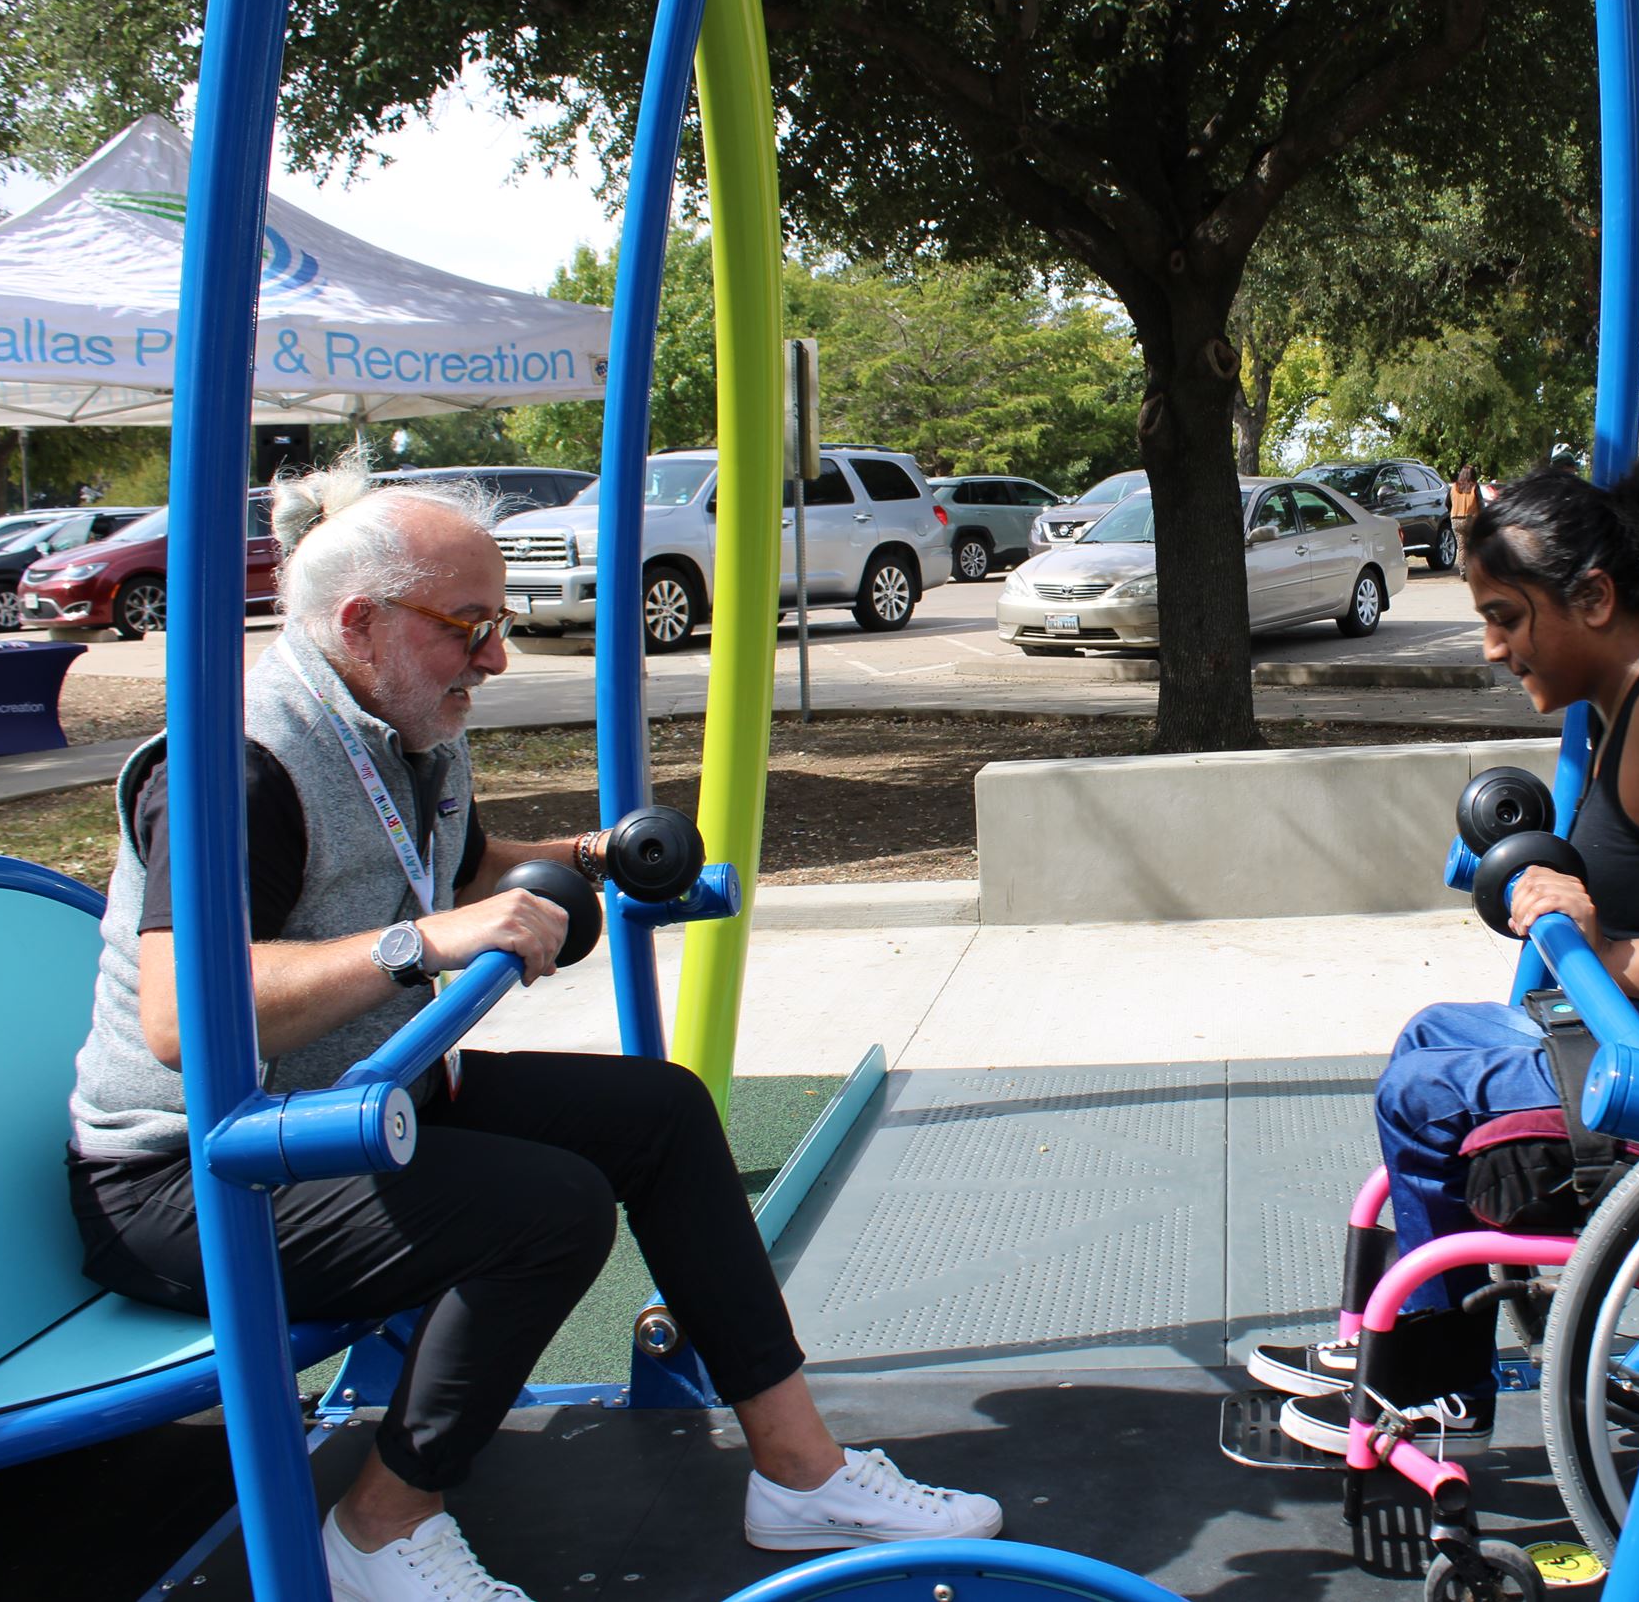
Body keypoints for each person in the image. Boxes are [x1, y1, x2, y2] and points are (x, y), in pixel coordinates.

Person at [66, 456, 999, 1602]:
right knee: (545, 1210)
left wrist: (593, 856)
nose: (496, 658)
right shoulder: (237, 767)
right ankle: (377, 1530)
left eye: (498, 624)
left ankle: (799, 1471)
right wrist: (424, 943)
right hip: (188, 1175)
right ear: (360, 622)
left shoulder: (403, 720)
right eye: (469, 628)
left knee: (659, 1111)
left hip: (359, 1102)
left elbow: (458, 869)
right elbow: (182, 1016)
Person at [1245, 465, 1639, 1455]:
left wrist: (1617, 956)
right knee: (1431, 1036)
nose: (1492, 647)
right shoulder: (1633, 699)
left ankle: (1433, 1384)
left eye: (1505, 616)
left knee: (1427, 1091)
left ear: (1593, 597)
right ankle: (1402, 1347)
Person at [1448, 465, 1482, 565]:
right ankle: (1473, 568)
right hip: (1471, 518)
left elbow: (1447, 503)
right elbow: (1481, 503)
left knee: (1461, 547)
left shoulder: (1454, 487)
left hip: (1455, 519)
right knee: (1474, 545)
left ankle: (1463, 571)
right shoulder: (1474, 486)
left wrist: (1453, 511)